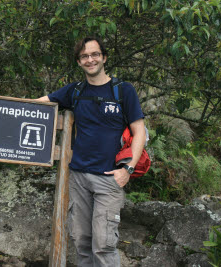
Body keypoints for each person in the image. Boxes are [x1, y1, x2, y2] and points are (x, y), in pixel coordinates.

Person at [37, 36, 146, 266]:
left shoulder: (123, 91)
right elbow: (38, 103)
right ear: (79, 62)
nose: (90, 60)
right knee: (82, 242)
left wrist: (127, 169)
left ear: (104, 57)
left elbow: (139, 132)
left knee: (103, 245)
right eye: (84, 56)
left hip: (109, 179)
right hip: (79, 177)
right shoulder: (74, 91)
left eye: (95, 54)